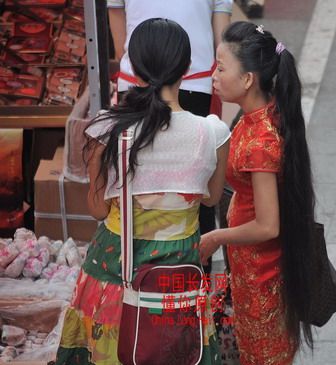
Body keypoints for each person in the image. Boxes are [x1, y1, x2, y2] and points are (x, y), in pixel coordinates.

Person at [55, 18, 230, 365]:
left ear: (133, 69)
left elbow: (98, 210)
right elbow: (211, 198)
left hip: (115, 271)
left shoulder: (106, 129)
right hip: (177, 274)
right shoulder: (212, 133)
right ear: (186, 68)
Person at [198, 21, 317, 365]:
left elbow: (268, 226)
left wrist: (217, 236)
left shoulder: (261, 142)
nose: (214, 76)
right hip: (250, 267)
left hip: (263, 274)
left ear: (248, 79)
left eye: (221, 68)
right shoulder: (256, 117)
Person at [108, 0, 233, 273]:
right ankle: (147, 271)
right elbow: (115, 8)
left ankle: (189, 275)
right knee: (138, 178)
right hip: (142, 77)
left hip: (192, 78)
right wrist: (129, 60)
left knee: (193, 183)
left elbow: (220, 14)